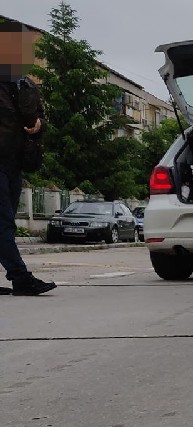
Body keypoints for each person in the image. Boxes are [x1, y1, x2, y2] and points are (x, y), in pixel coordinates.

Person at [0, 20, 55, 296]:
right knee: (3, 223)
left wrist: (39, 126)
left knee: (4, 222)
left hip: (15, 163)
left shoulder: (27, 85)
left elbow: (41, 117)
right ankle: (21, 278)